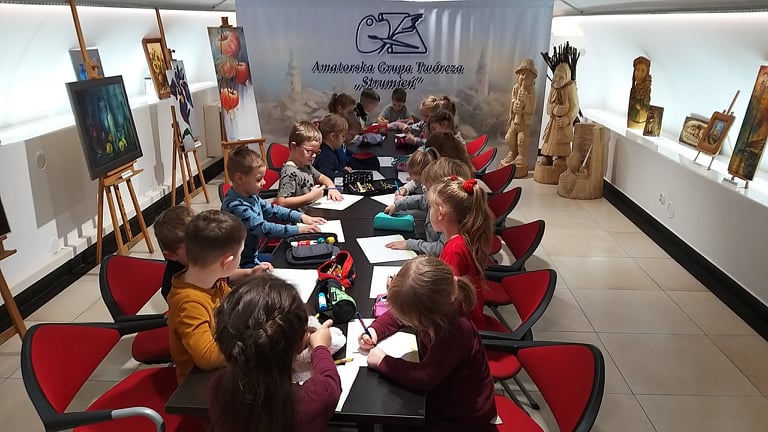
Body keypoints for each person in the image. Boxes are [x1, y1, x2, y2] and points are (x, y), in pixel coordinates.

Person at [360, 256, 497, 431]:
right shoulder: (437, 308)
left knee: (394, 416)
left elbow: (425, 378)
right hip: (443, 392)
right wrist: (375, 330)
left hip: (462, 414)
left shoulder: (453, 331)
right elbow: (399, 315)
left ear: (425, 316)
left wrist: (383, 361)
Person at [210, 274, 341, 432]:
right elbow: (329, 384)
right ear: (300, 341)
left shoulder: (219, 388)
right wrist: (320, 347)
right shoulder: (308, 402)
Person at [166, 210, 243, 383]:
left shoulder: (211, 282)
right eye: (240, 254)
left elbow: (234, 302)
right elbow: (208, 357)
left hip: (223, 357)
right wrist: (251, 346)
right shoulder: (190, 303)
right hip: (200, 383)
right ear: (227, 262)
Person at [221, 147, 325, 268]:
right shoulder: (236, 206)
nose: (264, 182)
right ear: (240, 179)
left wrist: (301, 217)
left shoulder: (251, 196)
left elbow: (273, 210)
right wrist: (298, 230)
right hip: (239, 265)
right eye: (258, 179)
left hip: (252, 256)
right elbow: (263, 228)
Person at [154, 205, 271, 300]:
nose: (201, 247)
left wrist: (250, 273)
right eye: (190, 246)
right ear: (171, 255)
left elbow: (223, 273)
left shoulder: (203, 263)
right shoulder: (183, 294)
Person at [428, 176, 496, 329]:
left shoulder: (453, 250)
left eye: (430, 207)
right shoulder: (464, 239)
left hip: (462, 328)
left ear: (440, 213)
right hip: (468, 319)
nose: (429, 212)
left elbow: (447, 300)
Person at [385, 157, 472, 256]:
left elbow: (440, 249)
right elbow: (421, 200)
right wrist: (397, 205)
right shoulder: (442, 202)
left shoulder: (451, 222)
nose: (424, 191)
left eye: (428, 188)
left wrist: (411, 244)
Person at [276, 121, 343, 209]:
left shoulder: (305, 165)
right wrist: (311, 197)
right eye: (309, 151)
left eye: (316, 152)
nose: (314, 155)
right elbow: (282, 202)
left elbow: (323, 178)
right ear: (293, 146)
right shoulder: (289, 172)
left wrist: (331, 188)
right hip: (300, 216)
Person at [500, 58, 537, 172]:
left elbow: (531, 108)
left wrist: (525, 102)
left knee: (521, 140)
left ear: (532, 80)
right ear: (518, 76)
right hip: (515, 120)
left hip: (524, 122)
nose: (524, 78)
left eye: (528, 76)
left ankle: (521, 156)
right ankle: (512, 152)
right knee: (509, 137)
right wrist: (514, 105)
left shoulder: (531, 91)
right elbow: (512, 100)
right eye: (522, 74)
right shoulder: (516, 88)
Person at [540, 62, 579, 167]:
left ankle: (562, 157)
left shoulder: (570, 88)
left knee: (562, 142)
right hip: (553, 123)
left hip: (563, 125)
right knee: (549, 141)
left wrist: (567, 119)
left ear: (567, 77)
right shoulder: (553, 88)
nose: (557, 79)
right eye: (555, 76)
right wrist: (553, 109)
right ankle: (548, 155)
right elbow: (548, 105)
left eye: (561, 77)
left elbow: (575, 107)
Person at [313, 113, 352, 179]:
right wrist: (344, 172)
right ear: (333, 136)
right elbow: (327, 177)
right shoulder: (326, 157)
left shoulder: (328, 151)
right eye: (342, 136)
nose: (344, 139)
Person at [627, 56, 652, 130]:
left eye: (643, 71)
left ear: (646, 73)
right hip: (631, 120)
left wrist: (639, 107)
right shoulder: (633, 88)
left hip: (638, 122)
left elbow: (645, 108)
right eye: (637, 70)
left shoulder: (646, 90)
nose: (639, 74)